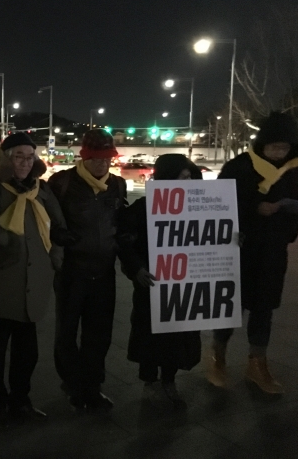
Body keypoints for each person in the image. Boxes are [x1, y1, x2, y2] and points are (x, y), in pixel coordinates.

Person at [0, 132, 69, 430]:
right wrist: (0, 236)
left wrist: (56, 257)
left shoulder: (41, 190)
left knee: (27, 351)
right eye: (18, 156)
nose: (24, 162)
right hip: (1, 282)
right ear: (5, 159)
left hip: (34, 283)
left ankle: (21, 400)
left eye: (29, 157)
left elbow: (58, 226)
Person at [207, 111, 298, 394]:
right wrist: (253, 209)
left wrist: (284, 225)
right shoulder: (239, 167)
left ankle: (257, 363)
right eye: (274, 147)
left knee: (264, 308)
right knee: (229, 306)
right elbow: (219, 203)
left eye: (284, 148)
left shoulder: (297, 170)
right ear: (262, 144)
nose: (279, 153)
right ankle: (217, 357)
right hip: (238, 249)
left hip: (273, 251)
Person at [48, 128, 127, 412]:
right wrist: (58, 235)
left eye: (107, 158)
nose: (102, 164)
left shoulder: (117, 185)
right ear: (84, 157)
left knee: (99, 335)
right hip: (72, 272)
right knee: (66, 333)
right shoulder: (62, 182)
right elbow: (45, 218)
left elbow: (121, 221)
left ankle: (93, 387)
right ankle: (72, 385)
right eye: (96, 158)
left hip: (104, 272)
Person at [119, 154, 202, 409]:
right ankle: (150, 380)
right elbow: (126, 242)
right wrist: (137, 269)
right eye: (183, 177)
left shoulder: (199, 206)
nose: (188, 182)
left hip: (183, 283)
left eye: (190, 178)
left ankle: (169, 380)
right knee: (149, 331)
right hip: (152, 283)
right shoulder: (143, 207)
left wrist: (231, 240)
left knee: (177, 334)